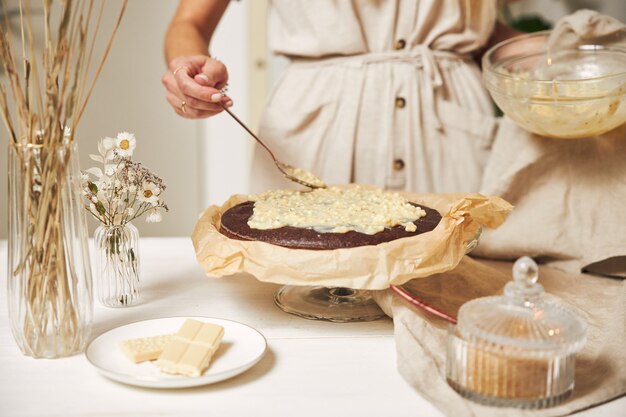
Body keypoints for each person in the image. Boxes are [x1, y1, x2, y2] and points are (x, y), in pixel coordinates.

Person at [162, 0, 520, 194]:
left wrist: (554, 55)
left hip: (451, 122)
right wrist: (188, 71)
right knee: (306, 286)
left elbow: (477, 28)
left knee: (460, 281)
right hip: (317, 126)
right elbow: (190, 23)